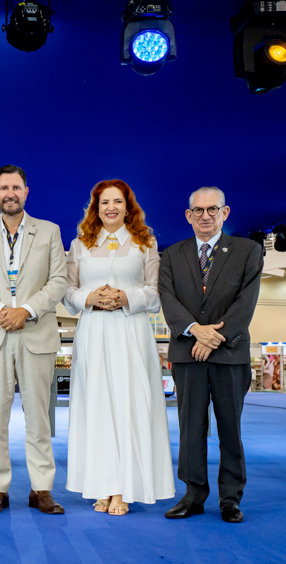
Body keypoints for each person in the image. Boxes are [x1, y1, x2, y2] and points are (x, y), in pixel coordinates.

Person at [62, 180, 175, 516]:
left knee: (131, 404)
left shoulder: (146, 243)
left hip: (131, 331)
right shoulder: (80, 245)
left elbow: (155, 293)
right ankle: (103, 484)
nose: (110, 207)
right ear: (95, 208)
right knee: (96, 406)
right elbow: (67, 291)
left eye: (117, 202)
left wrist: (127, 297)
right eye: (104, 202)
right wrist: (88, 297)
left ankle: (125, 488)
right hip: (93, 331)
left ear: (128, 206)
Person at [158, 186, 263, 524]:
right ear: (188, 215)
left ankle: (230, 498)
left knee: (230, 428)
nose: (205, 216)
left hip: (229, 355)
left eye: (212, 210)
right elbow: (167, 299)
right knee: (190, 428)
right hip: (188, 355)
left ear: (225, 212)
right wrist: (194, 330)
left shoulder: (249, 251)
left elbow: (245, 303)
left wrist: (212, 336)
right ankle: (193, 494)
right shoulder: (171, 255)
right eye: (198, 211)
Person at [0, 165, 68, 515]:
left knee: (39, 417)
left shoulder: (50, 231)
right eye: (3, 187)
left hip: (35, 333)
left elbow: (59, 281)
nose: (10, 193)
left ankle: (41, 488)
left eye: (16, 187)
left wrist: (26, 309)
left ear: (27, 192)